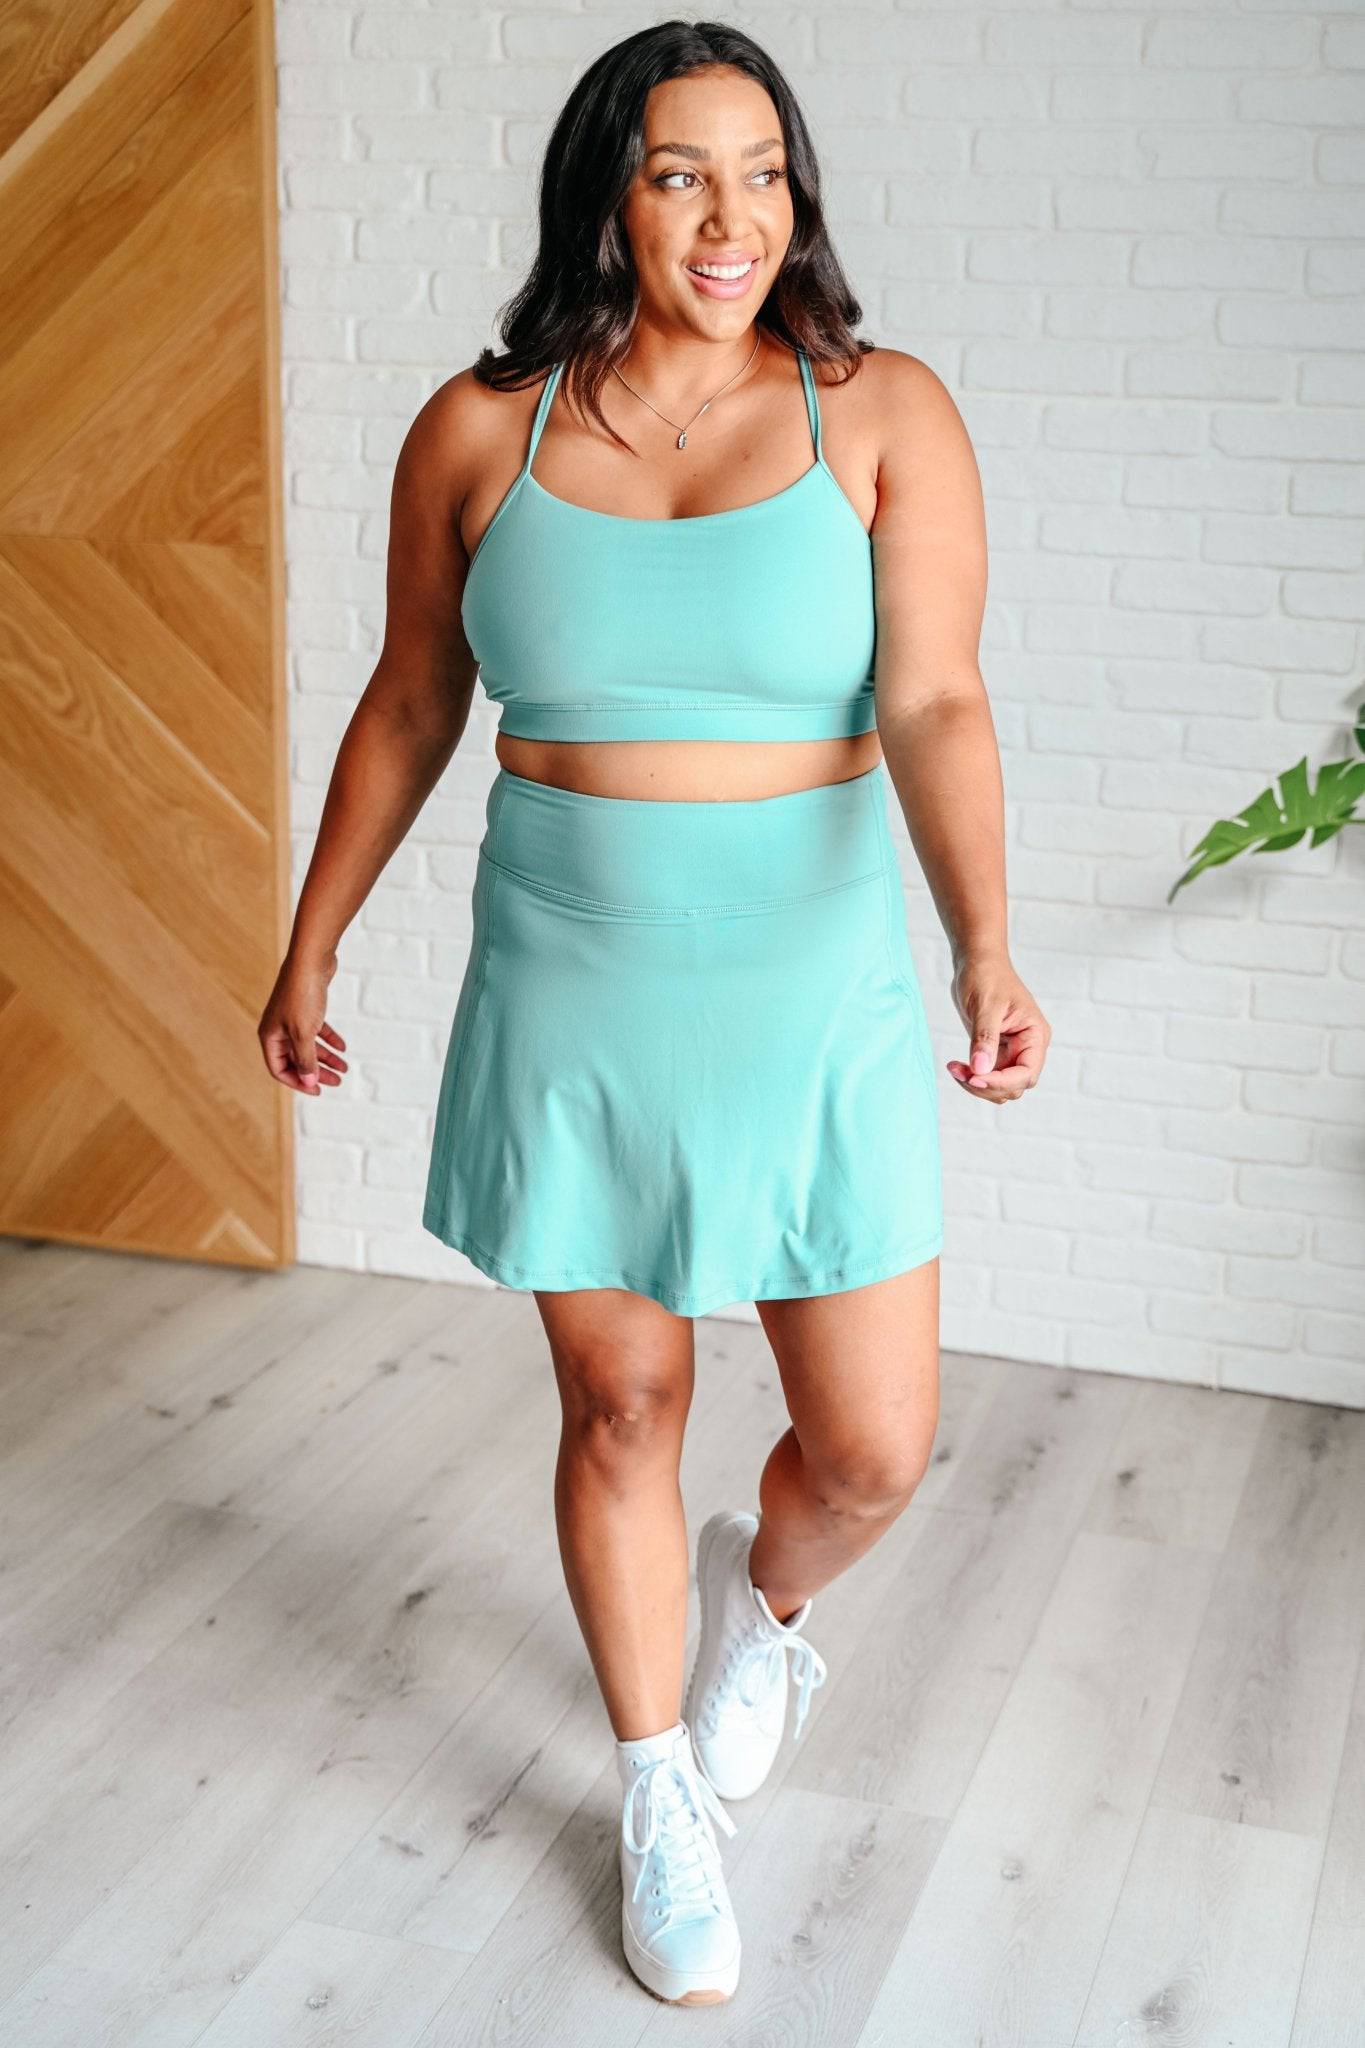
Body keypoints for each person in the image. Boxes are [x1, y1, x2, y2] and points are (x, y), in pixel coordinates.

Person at [258, 18, 1049, 2010]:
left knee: (869, 1448)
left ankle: (757, 1608)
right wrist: (313, 939)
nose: (729, 216)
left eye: (762, 172)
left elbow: (935, 698)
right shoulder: (479, 427)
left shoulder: (881, 411)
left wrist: (981, 942)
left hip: (810, 980)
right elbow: (411, 700)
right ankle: (650, 1789)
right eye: (682, 171)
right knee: (619, 1402)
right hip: (571, 969)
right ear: (604, 191)